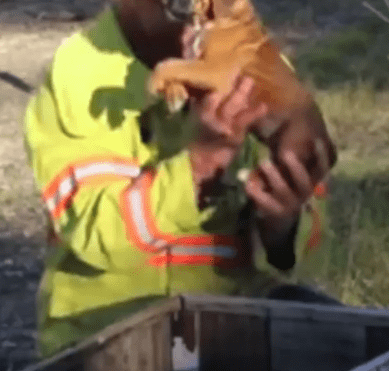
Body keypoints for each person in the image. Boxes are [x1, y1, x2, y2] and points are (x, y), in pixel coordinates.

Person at [23, 0, 339, 359]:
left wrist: (281, 224)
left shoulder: (257, 67)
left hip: (230, 325)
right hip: (105, 334)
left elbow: (305, 240)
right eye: (180, 9)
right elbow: (95, 234)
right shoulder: (78, 74)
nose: (196, 21)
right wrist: (199, 165)